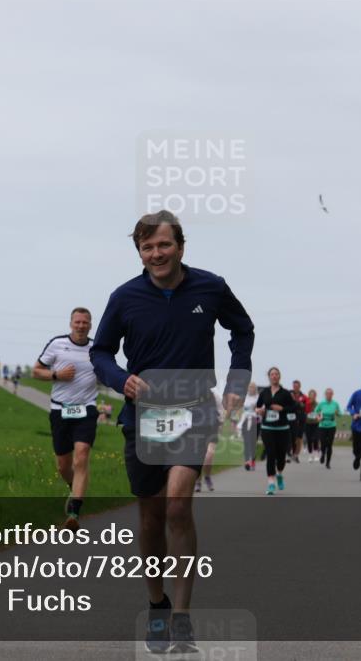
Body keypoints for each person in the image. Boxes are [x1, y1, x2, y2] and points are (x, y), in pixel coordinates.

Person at [90, 210, 253, 654]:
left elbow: (243, 329)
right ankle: (157, 603)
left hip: (195, 409)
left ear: (181, 245)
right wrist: (119, 377)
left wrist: (237, 382)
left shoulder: (211, 287)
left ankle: (182, 617)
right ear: (139, 252)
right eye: (147, 247)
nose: (156, 254)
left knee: (179, 502)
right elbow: (101, 351)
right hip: (142, 416)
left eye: (163, 245)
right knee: (151, 516)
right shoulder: (124, 297)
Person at [33, 308, 99, 530]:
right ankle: (74, 487)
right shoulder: (57, 344)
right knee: (63, 465)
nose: (81, 326)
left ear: (90, 325)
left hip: (87, 409)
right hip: (60, 410)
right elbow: (36, 371)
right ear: (71, 323)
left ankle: (74, 513)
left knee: (81, 457)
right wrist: (56, 375)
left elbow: (107, 371)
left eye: (85, 322)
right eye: (77, 322)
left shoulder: (96, 348)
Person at [256, 367, 296, 494]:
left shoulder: (285, 393)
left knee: (281, 457)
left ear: (279, 377)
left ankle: (279, 474)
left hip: (282, 428)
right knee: (270, 454)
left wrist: (282, 409)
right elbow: (258, 407)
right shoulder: (264, 392)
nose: (274, 376)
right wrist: (260, 411)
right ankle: (271, 483)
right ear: (269, 377)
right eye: (272, 374)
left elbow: (293, 407)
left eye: (276, 374)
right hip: (267, 427)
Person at [314, 388, 340, 468]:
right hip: (322, 425)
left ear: (332, 395)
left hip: (332, 425)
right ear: (325, 394)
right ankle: (322, 454)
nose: (329, 395)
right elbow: (316, 411)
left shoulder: (335, 403)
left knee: (329, 444)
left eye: (330, 394)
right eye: (327, 394)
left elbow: (340, 414)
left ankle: (328, 462)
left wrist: (337, 412)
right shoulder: (322, 403)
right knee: (323, 443)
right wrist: (318, 418)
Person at [238, 381, 259, 470]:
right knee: (246, 441)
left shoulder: (258, 397)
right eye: (250, 387)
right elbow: (241, 409)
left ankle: (253, 460)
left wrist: (256, 408)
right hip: (245, 420)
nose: (251, 388)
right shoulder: (244, 397)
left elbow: (261, 409)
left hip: (254, 420)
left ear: (255, 388)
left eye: (253, 387)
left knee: (252, 442)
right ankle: (247, 461)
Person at [289, 379, 307, 463]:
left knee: (299, 438)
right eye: (294, 386)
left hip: (300, 419)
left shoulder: (303, 396)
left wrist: (295, 402)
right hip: (290, 419)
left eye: (297, 386)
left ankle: (296, 455)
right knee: (290, 437)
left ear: (299, 387)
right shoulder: (288, 394)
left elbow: (304, 406)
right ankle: (290, 453)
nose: (295, 388)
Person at [304, 388, 320, 462]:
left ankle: (316, 453)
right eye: (311, 395)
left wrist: (319, 417)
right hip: (308, 423)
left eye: (313, 395)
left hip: (316, 424)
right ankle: (310, 455)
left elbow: (320, 413)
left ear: (315, 396)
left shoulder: (317, 404)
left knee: (315, 438)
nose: (312, 396)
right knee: (309, 440)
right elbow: (304, 412)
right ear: (309, 396)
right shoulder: (306, 404)